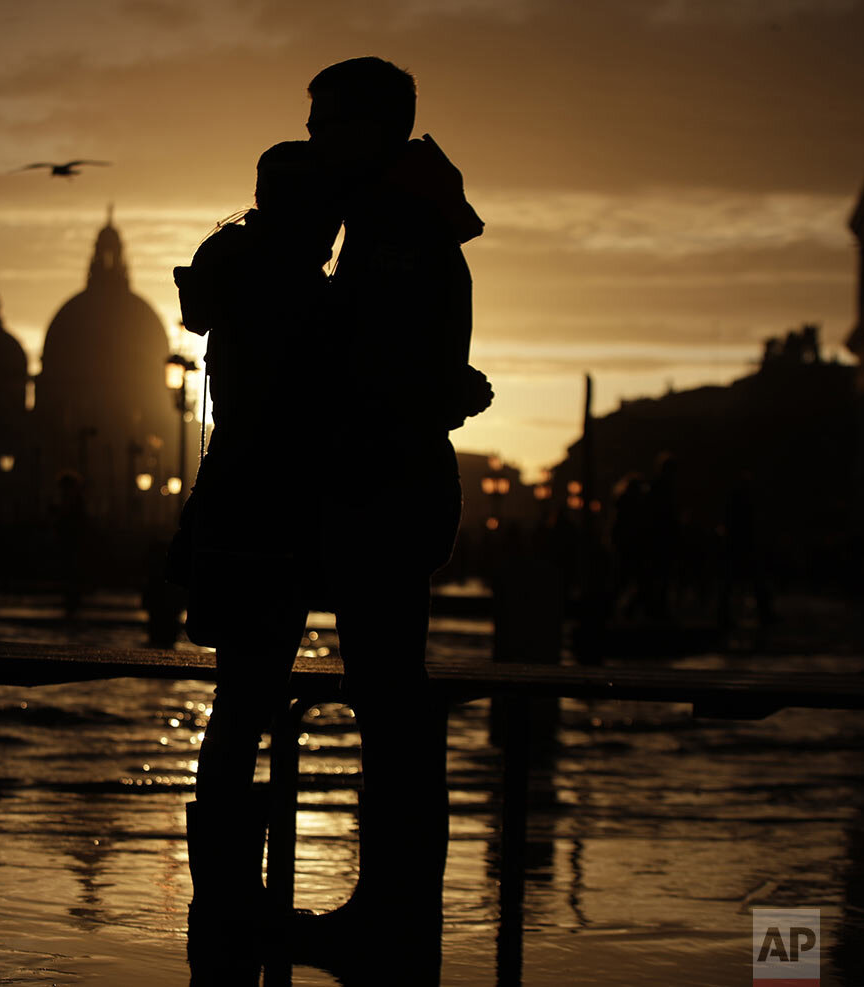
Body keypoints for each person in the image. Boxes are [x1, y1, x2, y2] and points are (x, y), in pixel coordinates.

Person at [299, 55, 491, 972]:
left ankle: (393, 915)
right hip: (397, 484)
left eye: (324, 122)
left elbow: (380, 372)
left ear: (373, 129)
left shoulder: (389, 229)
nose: (311, 139)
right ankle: (392, 908)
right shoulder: (402, 218)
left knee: (392, 709)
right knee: (392, 705)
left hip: (383, 489)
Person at [170, 140, 342, 940]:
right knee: (249, 699)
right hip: (275, 509)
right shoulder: (300, 290)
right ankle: (236, 895)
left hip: (226, 499)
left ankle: (226, 890)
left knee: (234, 705)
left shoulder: (232, 264)